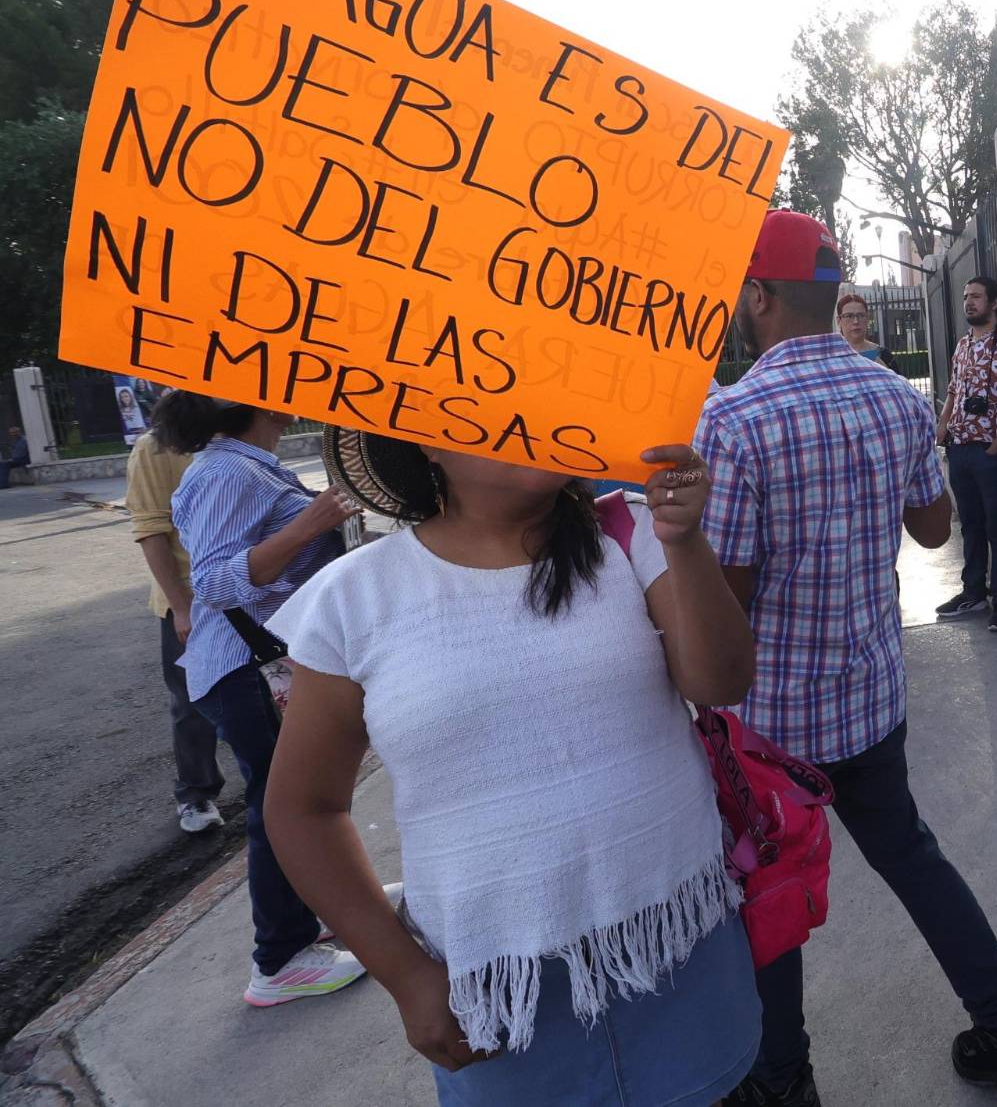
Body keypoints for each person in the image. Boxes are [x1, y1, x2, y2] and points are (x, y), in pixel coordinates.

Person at [264, 432, 759, 1106]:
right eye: (490, 398)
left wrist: (685, 539)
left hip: (680, 950)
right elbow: (303, 809)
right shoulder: (355, 598)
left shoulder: (632, 534)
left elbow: (722, 680)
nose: (527, 418)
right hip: (501, 998)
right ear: (423, 443)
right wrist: (407, 976)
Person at [700, 211, 997, 1106]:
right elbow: (935, 527)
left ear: (757, 294)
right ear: (833, 297)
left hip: (773, 724)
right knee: (910, 853)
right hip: (870, 694)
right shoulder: (897, 395)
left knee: (770, 891)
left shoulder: (733, 417)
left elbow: (728, 599)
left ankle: (781, 1081)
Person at [156, 390, 365, 1007]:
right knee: (284, 807)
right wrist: (310, 523)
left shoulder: (249, 464)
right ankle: (279, 959)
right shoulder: (226, 470)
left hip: (264, 662)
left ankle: (317, 911)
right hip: (246, 669)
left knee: (299, 797)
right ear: (257, 403)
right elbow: (214, 581)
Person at [125, 409, 225, 833]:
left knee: (267, 695)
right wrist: (182, 606)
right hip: (188, 600)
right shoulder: (155, 447)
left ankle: (282, 787)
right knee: (192, 705)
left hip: (245, 590)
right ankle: (196, 795)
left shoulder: (232, 435)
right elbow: (151, 532)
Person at [934, 275, 997, 631]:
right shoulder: (962, 345)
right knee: (970, 526)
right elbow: (953, 390)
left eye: (976, 296)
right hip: (960, 450)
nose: (968, 302)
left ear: (995, 302)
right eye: (965, 296)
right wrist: (943, 424)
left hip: (992, 455)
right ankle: (973, 590)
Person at [835, 292, 885, 361]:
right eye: (849, 316)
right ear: (839, 321)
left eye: (861, 315)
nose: (856, 321)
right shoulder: (832, 356)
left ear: (867, 319)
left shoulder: (883, 355)